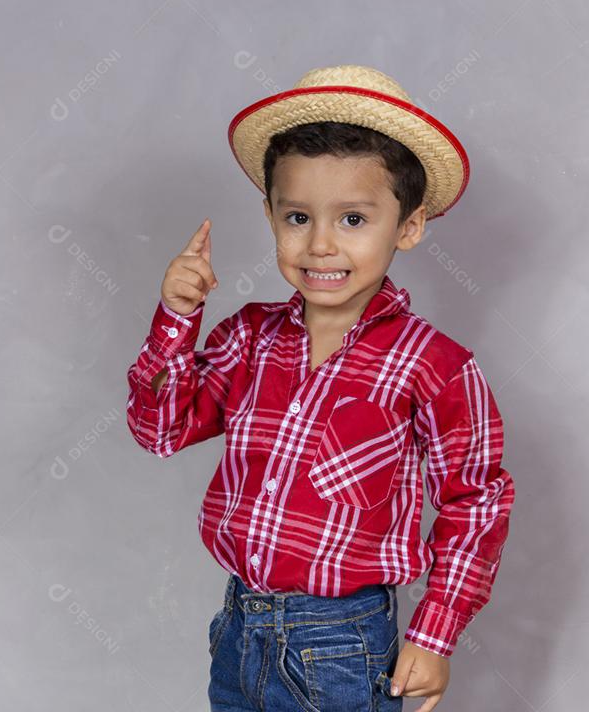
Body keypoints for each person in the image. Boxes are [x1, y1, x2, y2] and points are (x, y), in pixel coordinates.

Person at [126, 64, 515, 712]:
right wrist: (176, 320)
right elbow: (159, 430)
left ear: (409, 227)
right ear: (271, 215)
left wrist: (435, 634)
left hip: (342, 643)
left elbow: (474, 503)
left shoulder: (434, 365)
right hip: (240, 626)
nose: (321, 244)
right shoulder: (248, 338)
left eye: (354, 219)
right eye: (299, 216)